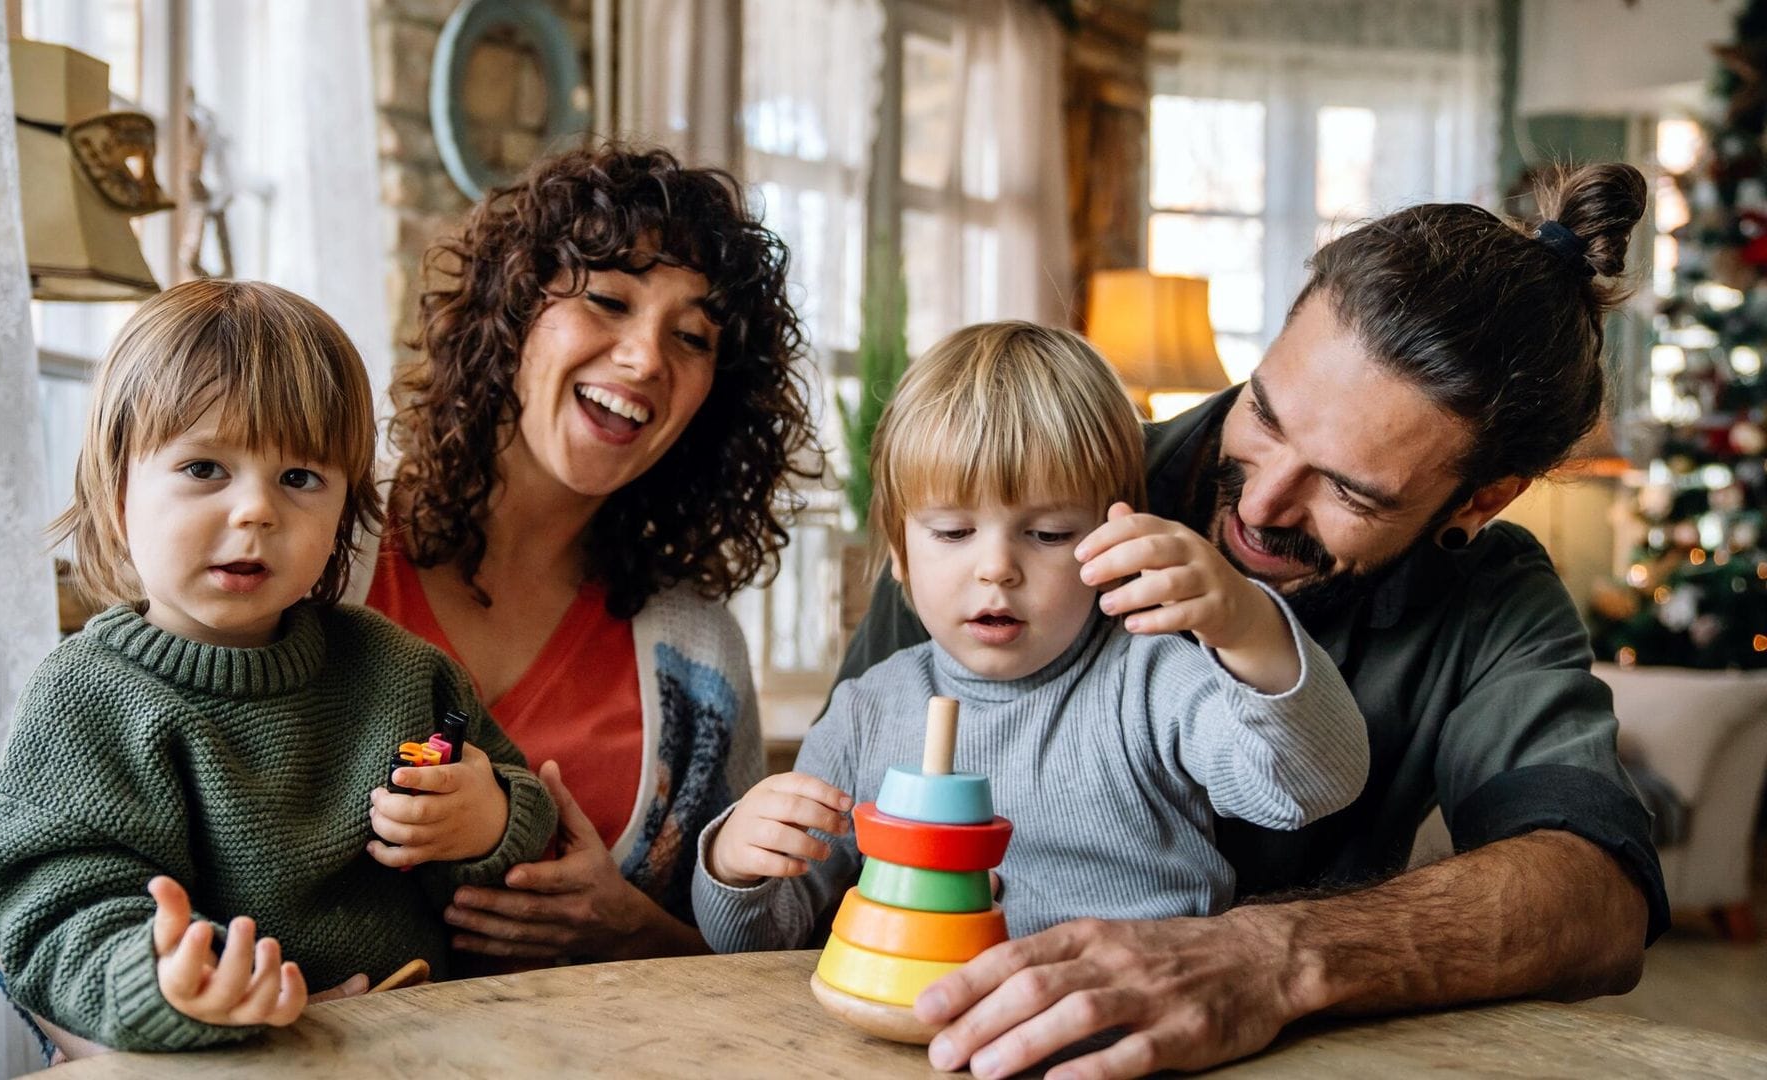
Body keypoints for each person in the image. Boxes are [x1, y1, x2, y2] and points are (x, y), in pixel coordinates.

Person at [837, 164, 1669, 1078]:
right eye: (1265, 415)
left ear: (1484, 499)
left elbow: (1599, 897)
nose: (1263, 505)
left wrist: (1278, 956)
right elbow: (841, 840)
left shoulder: (1496, 602)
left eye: (1350, 488)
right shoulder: (1027, 494)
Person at [0, 280, 557, 1052]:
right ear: (117, 495)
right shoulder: (85, 697)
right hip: (210, 1058)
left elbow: (512, 823)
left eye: (300, 479)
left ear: (343, 514)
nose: (257, 511)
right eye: (205, 468)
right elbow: (49, 909)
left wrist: (487, 820)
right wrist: (165, 979)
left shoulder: (400, 670)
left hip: (425, 1042)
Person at [692, 322, 1369, 951]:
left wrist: (1247, 626)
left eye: (1048, 534)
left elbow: (1304, 787)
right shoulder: (866, 715)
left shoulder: (1150, 678)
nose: (996, 568)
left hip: (1128, 1025)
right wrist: (735, 867)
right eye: (953, 533)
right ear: (899, 553)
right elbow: (763, 939)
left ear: (1114, 541)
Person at [348, 145, 820, 963]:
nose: (645, 358)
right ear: (513, 310)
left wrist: (632, 929)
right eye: (608, 300)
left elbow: (752, 963)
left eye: (693, 337)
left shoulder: (700, 652)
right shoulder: (324, 546)